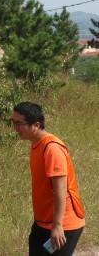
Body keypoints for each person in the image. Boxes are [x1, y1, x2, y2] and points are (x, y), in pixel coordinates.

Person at [12, 102, 85, 255]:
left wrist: (57, 226)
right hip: (43, 222)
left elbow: (61, 190)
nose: (15, 128)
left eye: (19, 123)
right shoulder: (36, 144)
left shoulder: (52, 148)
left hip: (63, 224)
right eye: (13, 123)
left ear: (36, 125)